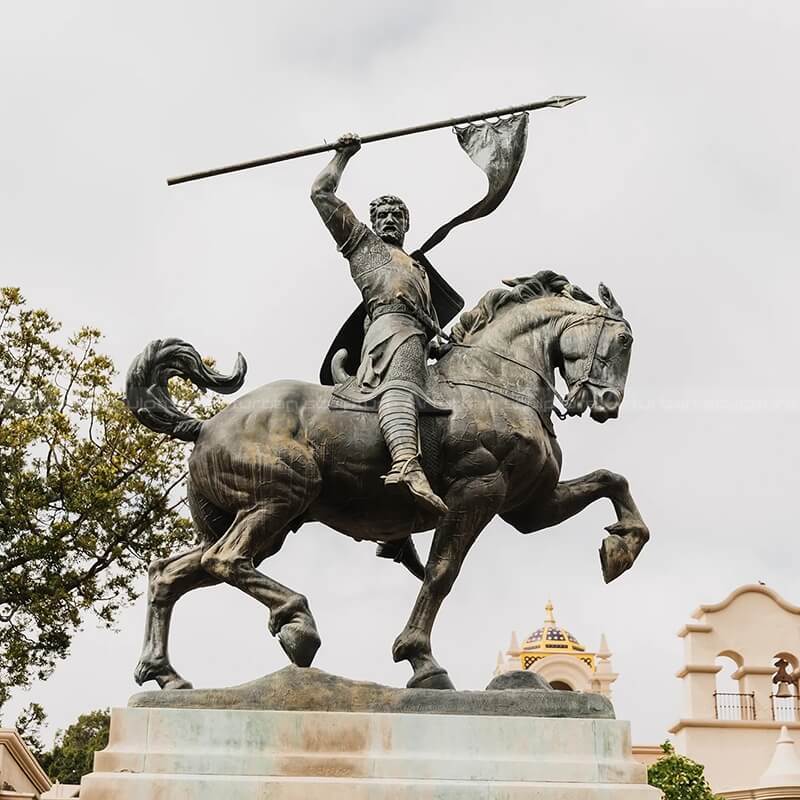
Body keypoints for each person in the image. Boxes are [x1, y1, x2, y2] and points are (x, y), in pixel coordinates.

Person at [310, 133, 447, 515]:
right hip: (389, 336)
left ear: (406, 223)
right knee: (402, 381)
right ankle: (405, 464)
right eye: (381, 215)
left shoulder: (418, 269)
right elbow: (320, 193)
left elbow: (432, 328)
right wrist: (342, 156)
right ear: (372, 223)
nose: (388, 220)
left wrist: (441, 344)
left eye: (396, 215)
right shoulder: (366, 248)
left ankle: (398, 531)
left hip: (419, 341)